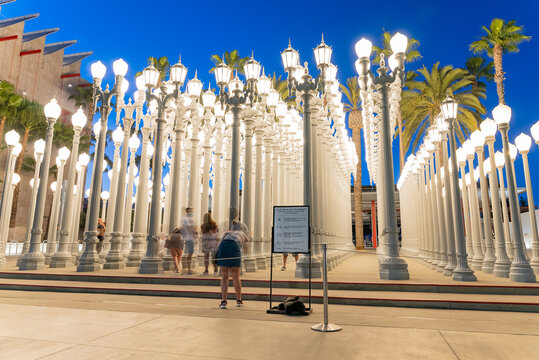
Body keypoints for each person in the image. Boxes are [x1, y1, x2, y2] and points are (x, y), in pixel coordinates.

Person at [216, 220, 249, 309]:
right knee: (235, 276)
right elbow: (246, 248)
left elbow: (219, 245)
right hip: (234, 248)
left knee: (224, 276)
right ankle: (239, 300)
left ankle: (223, 301)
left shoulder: (227, 233)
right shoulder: (243, 234)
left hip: (223, 248)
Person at [181, 207, 198, 275]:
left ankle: (189, 268)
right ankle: (188, 269)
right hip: (189, 238)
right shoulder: (185, 219)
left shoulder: (190, 219)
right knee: (190, 253)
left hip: (190, 238)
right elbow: (189, 228)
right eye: (190, 211)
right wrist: (194, 228)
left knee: (190, 253)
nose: (191, 212)